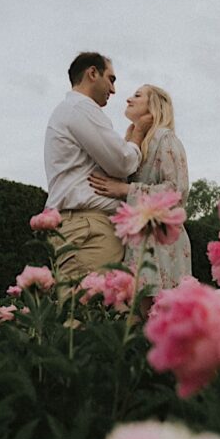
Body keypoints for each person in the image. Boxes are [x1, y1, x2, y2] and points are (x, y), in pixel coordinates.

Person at [43, 52, 152, 280]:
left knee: (86, 307)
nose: (113, 90)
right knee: (88, 306)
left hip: (81, 225)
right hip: (89, 228)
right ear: (93, 73)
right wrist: (137, 137)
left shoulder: (70, 110)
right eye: (111, 79)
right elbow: (122, 162)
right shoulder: (81, 108)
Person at [89, 84, 193, 292]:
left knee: (157, 310)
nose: (128, 99)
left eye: (137, 95)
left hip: (162, 241)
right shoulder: (138, 141)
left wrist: (125, 190)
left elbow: (177, 192)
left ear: (154, 106)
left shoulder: (165, 138)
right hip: (140, 239)